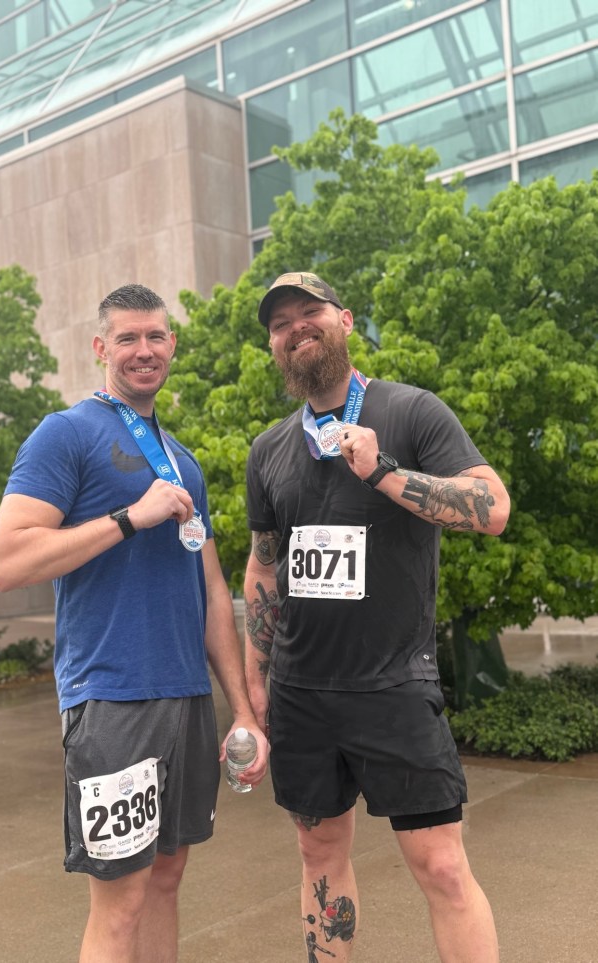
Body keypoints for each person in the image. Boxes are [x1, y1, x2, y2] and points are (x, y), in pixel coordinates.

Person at [0, 282, 268, 963]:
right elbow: (8, 557)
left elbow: (209, 584)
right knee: (120, 903)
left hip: (185, 699)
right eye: (127, 338)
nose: (144, 350)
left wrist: (241, 708)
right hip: (111, 697)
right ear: (99, 348)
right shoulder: (67, 433)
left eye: (156, 336)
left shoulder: (182, 461)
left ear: (171, 344)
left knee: (167, 879)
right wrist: (125, 518)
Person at [244, 271, 510, 963]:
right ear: (274, 344)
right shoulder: (269, 449)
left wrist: (385, 471)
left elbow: (493, 507)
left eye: (311, 312)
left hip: (393, 686)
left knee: (443, 867)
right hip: (303, 692)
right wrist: (255, 681)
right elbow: (265, 567)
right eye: (281, 323)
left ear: (346, 321)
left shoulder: (411, 411)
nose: (297, 327)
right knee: (319, 858)